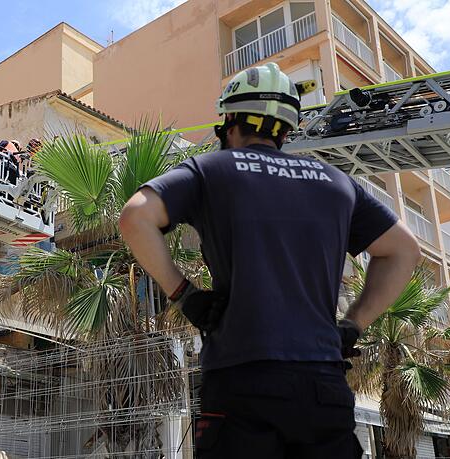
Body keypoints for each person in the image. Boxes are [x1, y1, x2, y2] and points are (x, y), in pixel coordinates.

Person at [119, 62, 421, 457]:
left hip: (241, 377)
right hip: (323, 384)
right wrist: (352, 325)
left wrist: (185, 294)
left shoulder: (210, 170)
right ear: (287, 129)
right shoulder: (336, 182)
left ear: (229, 122)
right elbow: (404, 250)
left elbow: (134, 217)